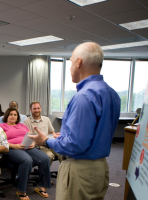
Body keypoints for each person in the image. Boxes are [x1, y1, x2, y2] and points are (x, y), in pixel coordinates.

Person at [29, 42, 121, 200]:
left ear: (79, 62)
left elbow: (75, 145)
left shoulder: (84, 96)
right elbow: (94, 134)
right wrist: (64, 138)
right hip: (99, 167)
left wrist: (45, 141)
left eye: (71, 62)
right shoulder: (112, 94)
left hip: (80, 171)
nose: (70, 67)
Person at [0, 108, 51, 199]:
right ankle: (21, 191)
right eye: (11, 114)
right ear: (6, 116)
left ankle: (42, 186)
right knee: (27, 161)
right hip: (12, 149)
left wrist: (33, 143)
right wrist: (15, 146)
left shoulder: (22, 125)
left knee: (45, 158)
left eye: (15, 115)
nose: (13, 116)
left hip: (27, 147)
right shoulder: (1, 126)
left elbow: (32, 136)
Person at [23, 102, 62, 166]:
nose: (37, 110)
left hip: (48, 142)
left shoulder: (46, 119)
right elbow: (28, 136)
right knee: (49, 156)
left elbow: (52, 132)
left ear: (40, 109)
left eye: (38, 108)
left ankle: (62, 174)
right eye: (34, 109)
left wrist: (54, 137)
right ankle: (44, 174)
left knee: (62, 152)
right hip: (38, 145)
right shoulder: (26, 121)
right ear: (31, 110)